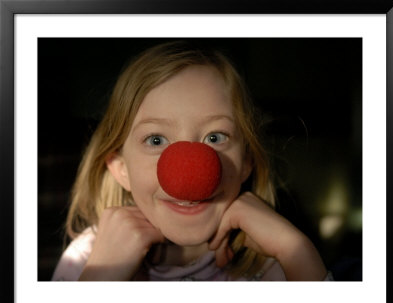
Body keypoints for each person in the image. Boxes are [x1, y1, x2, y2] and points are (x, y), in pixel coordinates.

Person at [52, 41, 332, 281]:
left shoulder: (270, 261)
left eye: (215, 137)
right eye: (156, 140)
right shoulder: (89, 256)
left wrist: (297, 251)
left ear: (246, 162)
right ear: (121, 168)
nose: (188, 172)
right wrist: (100, 280)